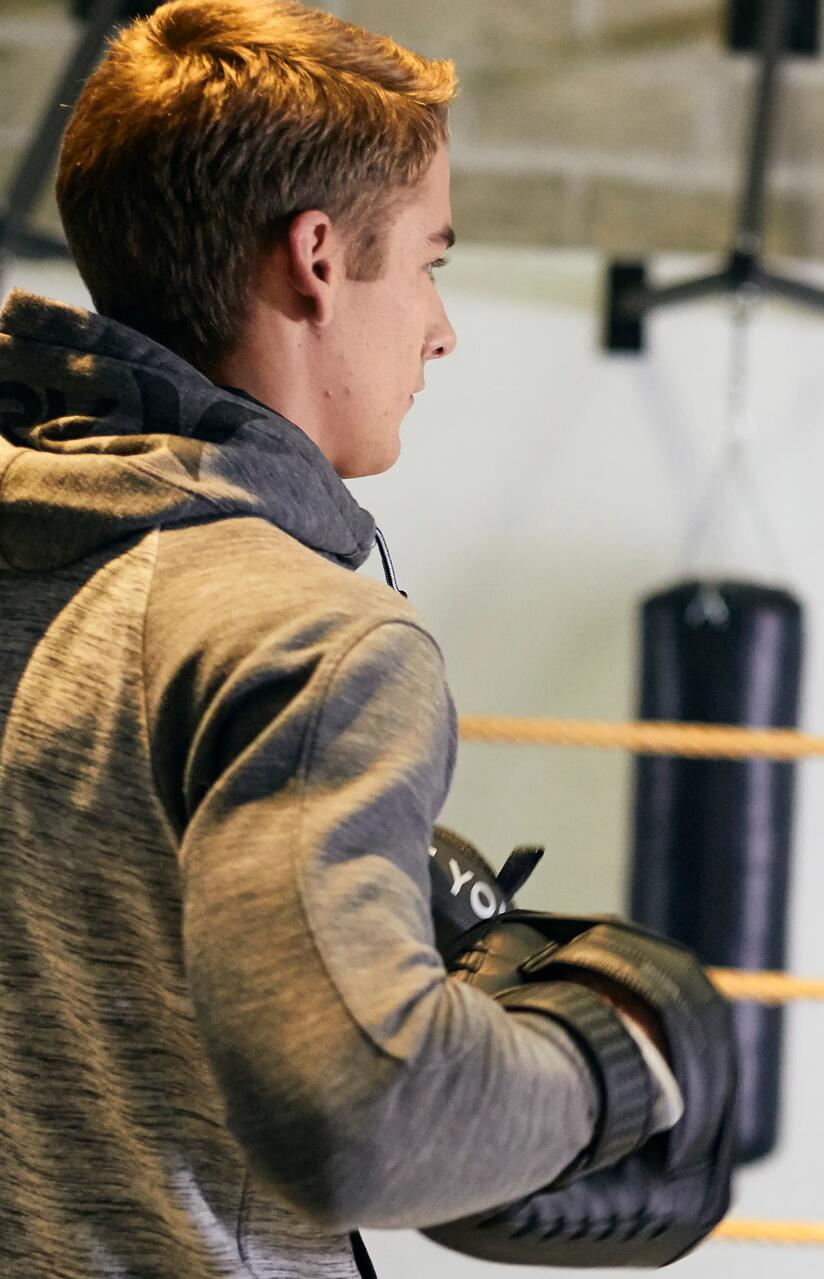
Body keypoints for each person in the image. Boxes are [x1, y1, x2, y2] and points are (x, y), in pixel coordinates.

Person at [0, 3, 714, 1276]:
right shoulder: (305, 639)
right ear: (318, 260)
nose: (442, 327)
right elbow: (368, 1109)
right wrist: (618, 1057)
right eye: (432, 259)